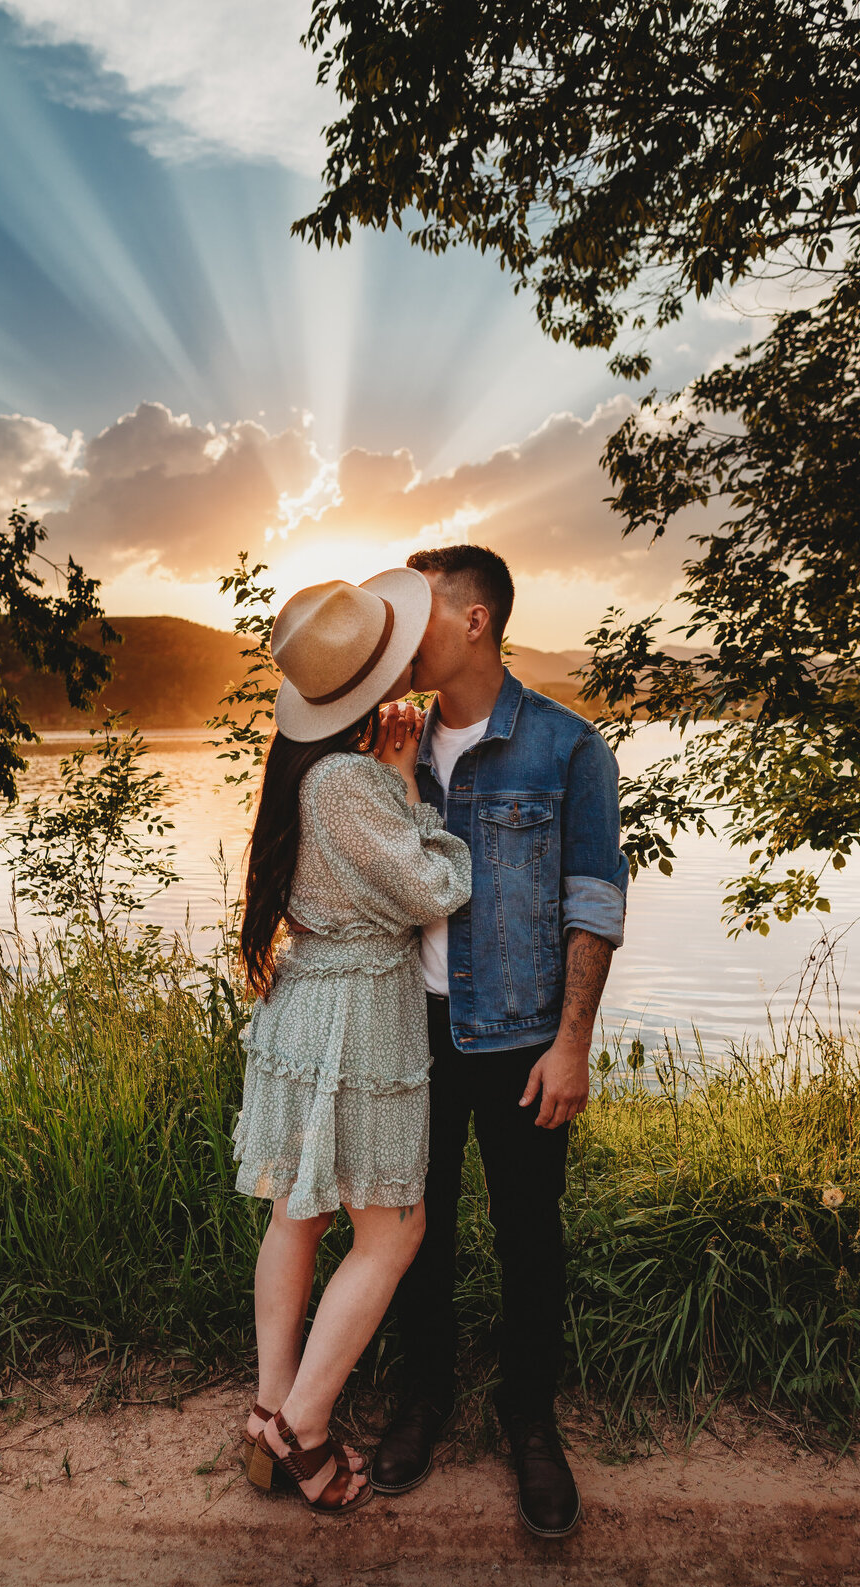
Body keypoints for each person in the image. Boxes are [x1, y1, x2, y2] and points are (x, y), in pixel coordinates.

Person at [369, 544, 627, 1538]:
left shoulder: (567, 748)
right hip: (413, 1033)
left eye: (417, 611)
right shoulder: (390, 748)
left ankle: (529, 1419)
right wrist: (389, 780)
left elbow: (593, 906)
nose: (399, 631)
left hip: (523, 1038)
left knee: (530, 1238)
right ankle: (422, 1398)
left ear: (475, 618)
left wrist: (572, 1045)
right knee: (412, 1235)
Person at [233, 569, 472, 1515]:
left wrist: (390, 775)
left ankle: (266, 1410)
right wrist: (411, 786)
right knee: (394, 1227)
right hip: (360, 1010)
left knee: (299, 1209)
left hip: (307, 1001)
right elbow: (436, 887)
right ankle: (305, 1429)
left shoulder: (306, 768)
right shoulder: (352, 782)